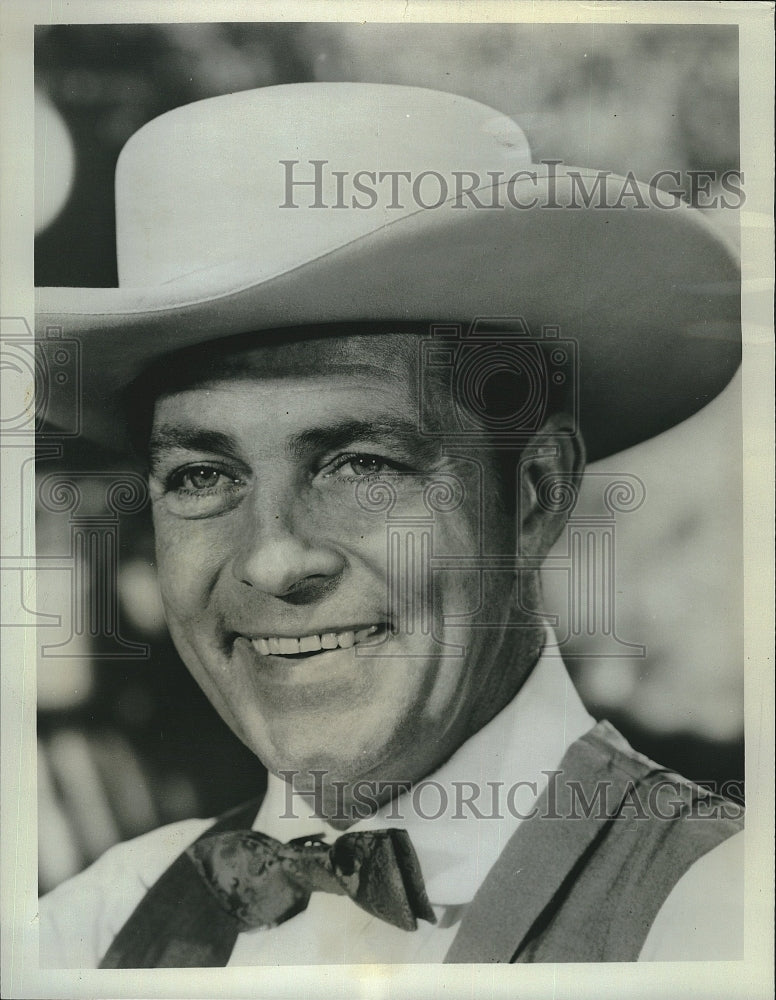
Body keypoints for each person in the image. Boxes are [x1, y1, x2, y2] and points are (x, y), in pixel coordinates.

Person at [36, 83, 743, 967]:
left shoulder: (723, 918)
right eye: (202, 475)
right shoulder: (88, 936)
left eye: (361, 464)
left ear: (533, 494)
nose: (274, 557)